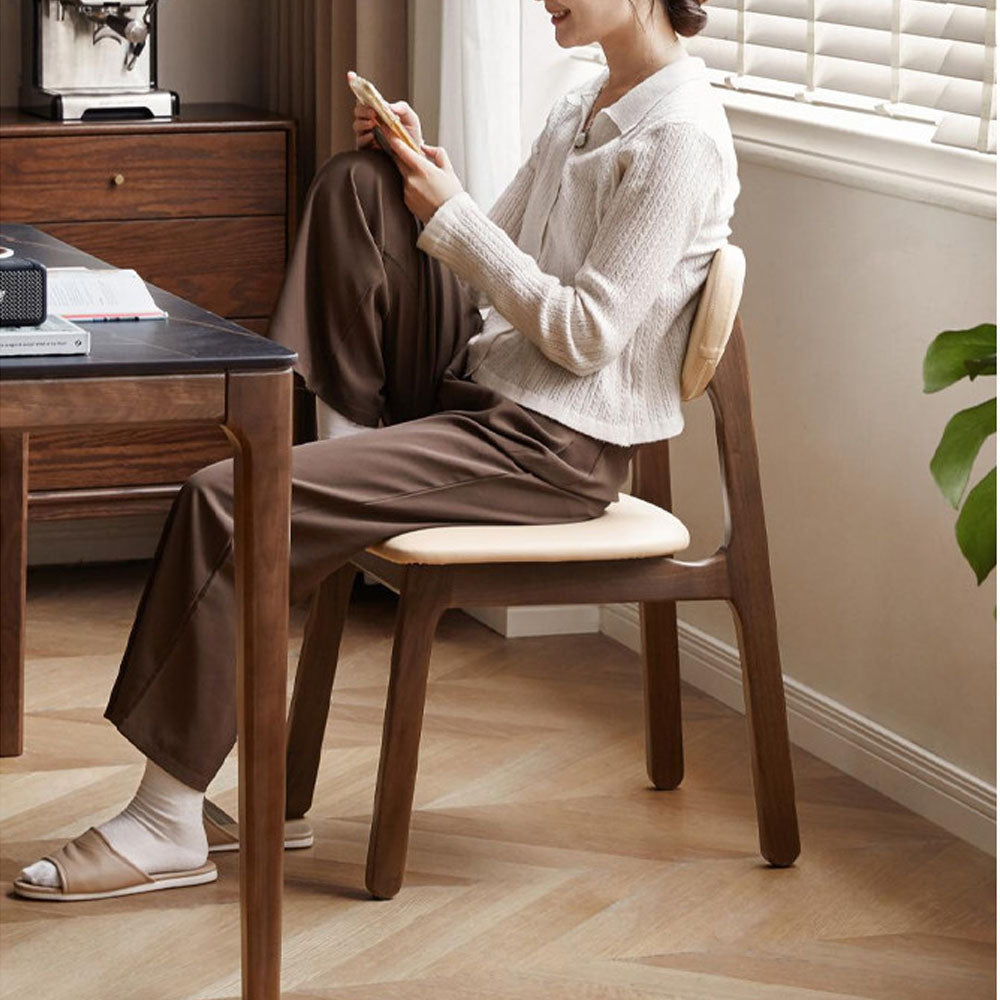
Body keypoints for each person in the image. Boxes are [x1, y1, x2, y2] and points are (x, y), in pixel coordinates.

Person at [15, 0, 738, 900]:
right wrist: (428, 175)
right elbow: (492, 263)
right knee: (360, 183)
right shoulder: (584, 102)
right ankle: (344, 469)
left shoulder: (680, 137)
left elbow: (587, 334)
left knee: (229, 496)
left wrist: (455, 217)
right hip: (480, 385)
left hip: (549, 445)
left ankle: (166, 821)